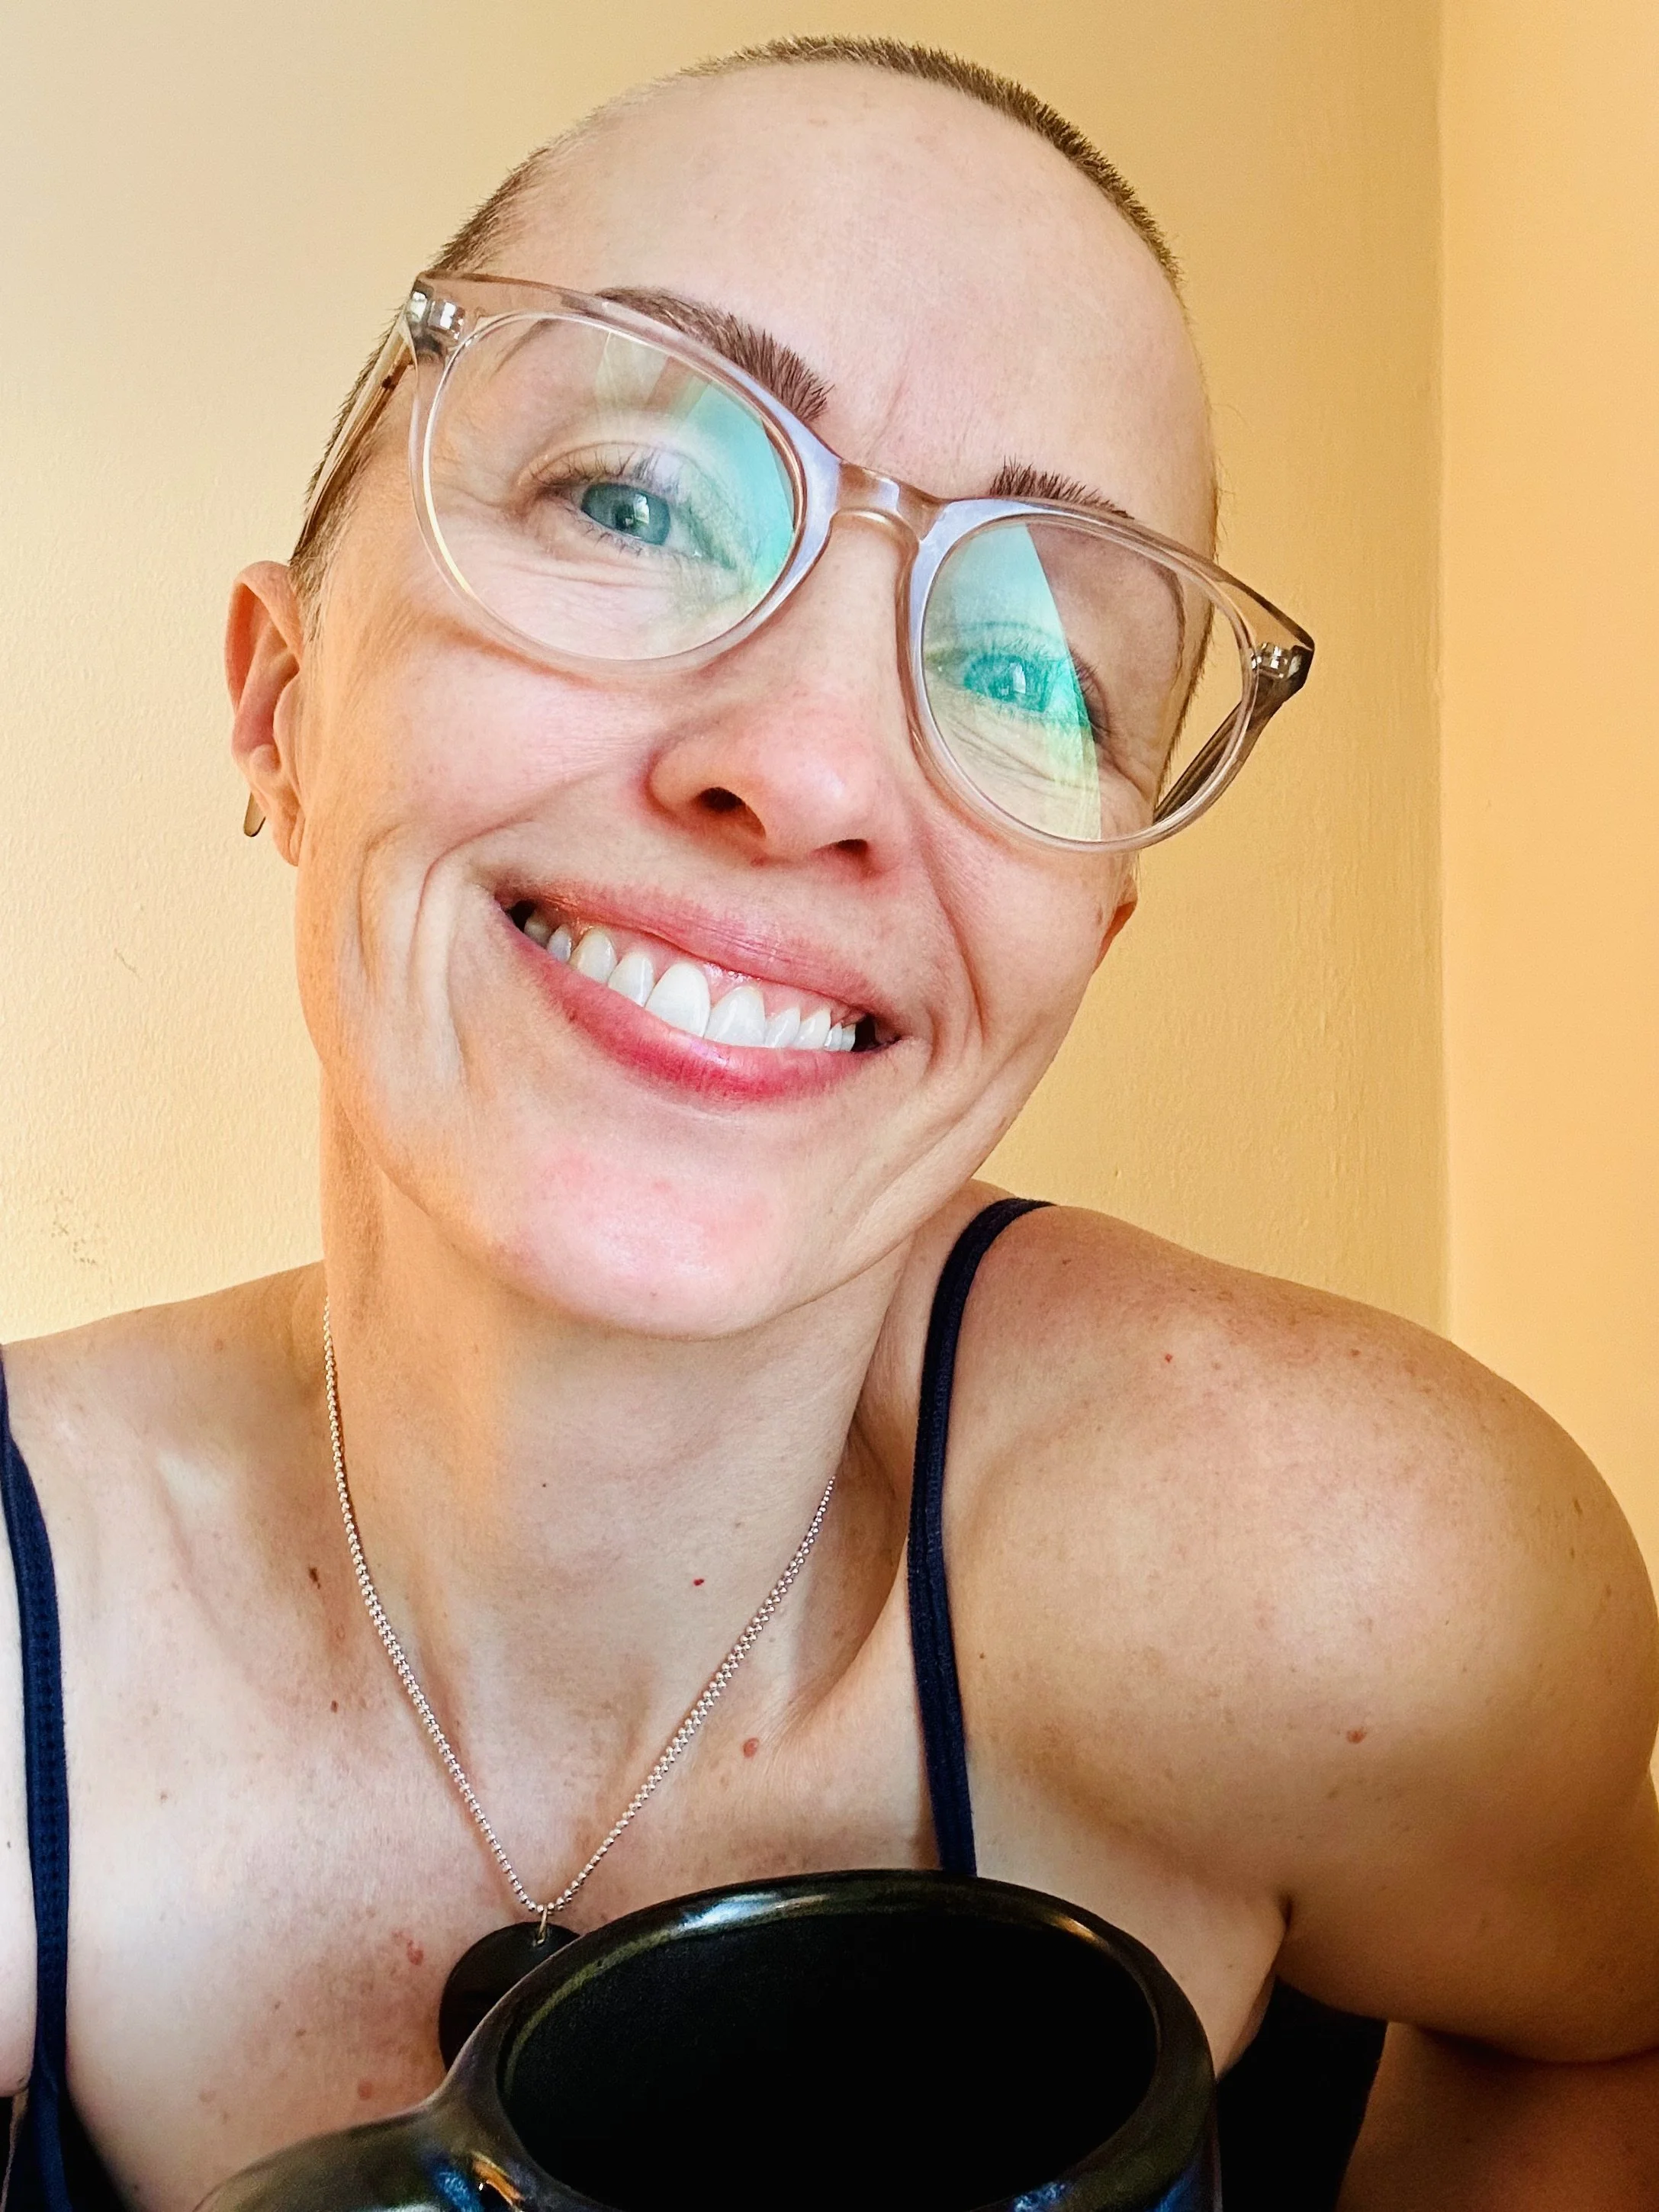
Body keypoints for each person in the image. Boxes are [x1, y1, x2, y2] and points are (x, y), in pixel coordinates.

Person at [3, 35, 1656, 2212]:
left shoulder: (1353, 1580)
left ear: (1088, 931)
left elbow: (1602, 2028)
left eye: (1025, 664)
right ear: (280, 700)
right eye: (632, 503)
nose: (799, 769)